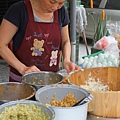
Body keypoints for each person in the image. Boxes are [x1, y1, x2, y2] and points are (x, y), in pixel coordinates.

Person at [0, 0, 80, 82]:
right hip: (22, 80)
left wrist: (66, 60)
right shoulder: (19, 10)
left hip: (51, 79)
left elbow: (65, 41)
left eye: (61, 3)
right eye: (52, 2)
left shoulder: (61, 11)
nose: (56, 7)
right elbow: (1, 45)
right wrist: (23, 68)